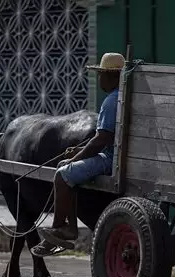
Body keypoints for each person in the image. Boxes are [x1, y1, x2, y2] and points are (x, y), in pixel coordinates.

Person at [31, 52, 125, 257]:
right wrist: (78, 152)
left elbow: (102, 140)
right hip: (116, 155)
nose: (99, 79)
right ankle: (70, 227)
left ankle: (59, 227)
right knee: (64, 165)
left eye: (101, 74)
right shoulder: (124, 96)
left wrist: (77, 157)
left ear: (111, 76)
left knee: (62, 174)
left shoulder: (111, 101)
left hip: (110, 159)